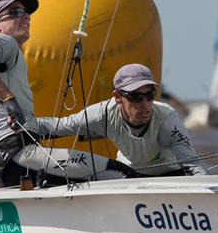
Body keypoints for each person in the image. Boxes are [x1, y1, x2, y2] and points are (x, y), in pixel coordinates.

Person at [0, 0, 129, 188]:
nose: (25, 18)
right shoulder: (6, 43)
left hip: (0, 163)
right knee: (121, 173)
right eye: (14, 13)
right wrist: (8, 98)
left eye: (26, 13)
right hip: (15, 154)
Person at [37, 63, 207, 177]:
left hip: (170, 177)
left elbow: (194, 167)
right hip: (129, 176)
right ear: (118, 97)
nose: (145, 104)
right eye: (136, 97)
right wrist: (23, 124)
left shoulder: (167, 120)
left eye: (149, 95)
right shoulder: (102, 114)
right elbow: (62, 125)